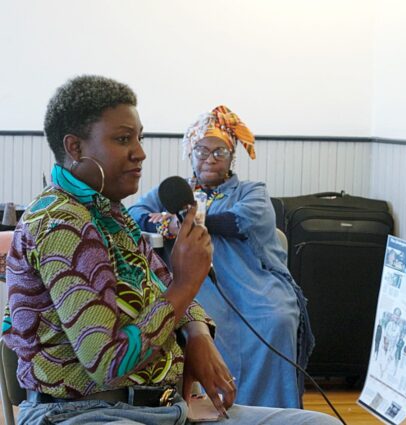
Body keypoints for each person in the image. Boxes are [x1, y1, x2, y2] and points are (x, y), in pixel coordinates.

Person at [3, 75, 337, 424]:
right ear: (75, 148)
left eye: (139, 137)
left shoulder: (109, 213)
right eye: (122, 139)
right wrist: (185, 284)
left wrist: (197, 333)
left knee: (319, 422)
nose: (140, 152)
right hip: (88, 413)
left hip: (163, 407)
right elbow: (109, 362)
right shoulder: (61, 223)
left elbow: (163, 284)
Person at [130, 105, 313, 408]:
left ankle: (274, 410)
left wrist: (191, 220)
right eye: (202, 151)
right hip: (201, 284)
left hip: (254, 282)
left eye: (220, 152)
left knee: (277, 318)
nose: (209, 159)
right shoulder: (174, 191)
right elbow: (135, 214)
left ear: (232, 157)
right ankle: (211, 409)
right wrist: (166, 222)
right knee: (205, 323)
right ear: (190, 152)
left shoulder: (251, 191)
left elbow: (242, 220)